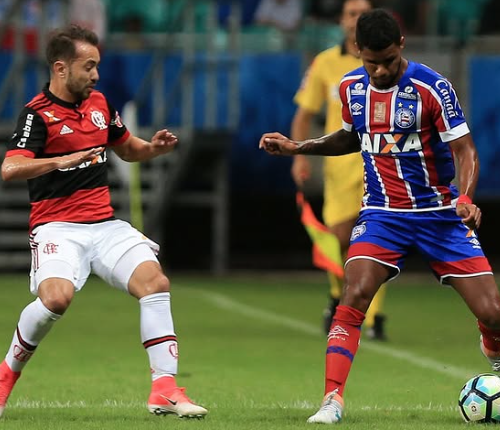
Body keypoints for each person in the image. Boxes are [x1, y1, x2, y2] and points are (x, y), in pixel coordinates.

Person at [260, 9, 500, 424]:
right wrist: (300, 147)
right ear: (358, 51)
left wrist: (465, 197)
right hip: (382, 214)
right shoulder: (351, 87)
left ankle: (492, 348)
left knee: (493, 312)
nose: (382, 70)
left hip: (440, 215)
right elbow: (351, 137)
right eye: (373, 62)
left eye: (389, 60)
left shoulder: (432, 87)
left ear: (401, 45)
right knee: (354, 293)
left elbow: (466, 150)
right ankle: (332, 400)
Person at [0, 25, 207, 419]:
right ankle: (6, 374)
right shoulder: (37, 114)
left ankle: (164, 389)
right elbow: (10, 168)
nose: (95, 75)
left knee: (155, 283)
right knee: (56, 299)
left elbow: (127, 149)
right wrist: (59, 160)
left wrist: (153, 149)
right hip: (57, 227)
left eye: (97, 66)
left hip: (104, 225)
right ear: (61, 68)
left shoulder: (99, 104)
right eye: (88, 66)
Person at [291, 0, 388, 339]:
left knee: (376, 238)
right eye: (351, 13)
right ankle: (338, 295)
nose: (356, 20)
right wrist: (299, 155)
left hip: (379, 163)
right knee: (338, 240)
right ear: (341, 20)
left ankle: (373, 317)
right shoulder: (326, 63)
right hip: (339, 166)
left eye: (363, 14)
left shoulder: (386, 62)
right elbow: (304, 114)